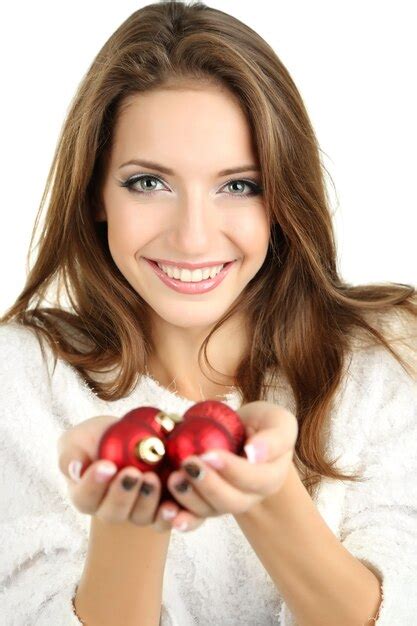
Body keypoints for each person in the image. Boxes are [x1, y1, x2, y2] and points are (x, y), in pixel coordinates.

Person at [1, 1, 416, 624]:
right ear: (94, 193)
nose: (193, 238)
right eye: (149, 183)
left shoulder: (386, 359)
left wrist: (267, 491)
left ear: (281, 199)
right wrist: (129, 521)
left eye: (238, 185)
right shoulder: (21, 380)